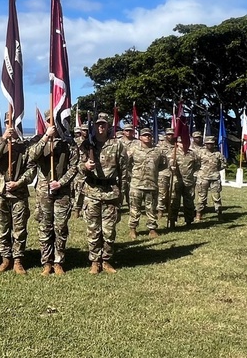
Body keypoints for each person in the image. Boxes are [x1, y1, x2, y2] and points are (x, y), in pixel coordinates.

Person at [0, 116, 39, 274]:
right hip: (1, 191)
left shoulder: (26, 146)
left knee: (19, 228)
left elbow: (31, 169)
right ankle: (6, 258)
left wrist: (20, 183)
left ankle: (18, 260)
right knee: (2, 227)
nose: (10, 126)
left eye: (13, 123)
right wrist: (4, 140)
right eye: (7, 123)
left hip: (19, 192)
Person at [28, 114, 79, 275]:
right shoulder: (38, 140)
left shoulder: (68, 143)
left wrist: (61, 182)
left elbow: (74, 166)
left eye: (56, 120)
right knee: (45, 226)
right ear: (46, 122)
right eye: (50, 120)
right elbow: (31, 156)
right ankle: (47, 262)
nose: (53, 124)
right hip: (44, 191)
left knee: (60, 227)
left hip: (61, 191)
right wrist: (46, 137)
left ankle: (58, 261)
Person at [78, 112, 128, 274]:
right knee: (93, 229)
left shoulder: (117, 145)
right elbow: (77, 167)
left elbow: (124, 171)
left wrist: (123, 192)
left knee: (109, 229)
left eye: (104, 124)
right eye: (98, 124)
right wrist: (85, 166)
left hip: (111, 192)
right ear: (94, 126)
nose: (101, 126)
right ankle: (94, 261)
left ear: (108, 126)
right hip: (92, 191)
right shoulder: (87, 145)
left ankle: (106, 260)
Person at [127, 127, 166, 238]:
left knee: (151, 209)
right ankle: (133, 229)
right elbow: (127, 163)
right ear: (140, 137)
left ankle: (152, 229)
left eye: (149, 135)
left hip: (151, 184)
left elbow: (163, 164)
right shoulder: (133, 150)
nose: (147, 137)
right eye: (145, 135)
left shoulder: (158, 151)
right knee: (135, 208)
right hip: (136, 184)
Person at [168, 132, 198, 228]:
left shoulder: (192, 153)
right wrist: (171, 167)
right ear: (177, 143)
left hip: (188, 181)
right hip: (177, 181)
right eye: (181, 142)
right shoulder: (173, 153)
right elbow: (169, 163)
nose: (183, 144)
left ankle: (189, 221)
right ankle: (172, 220)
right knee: (175, 202)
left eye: (185, 142)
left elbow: (197, 165)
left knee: (189, 202)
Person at [194, 135, 225, 220]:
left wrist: (215, 170)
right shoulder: (200, 153)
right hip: (203, 178)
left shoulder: (218, 154)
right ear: (205, 144)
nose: (210, 145)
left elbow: (223, 165)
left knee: (216, 197)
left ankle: (219, 214)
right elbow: (195, 164)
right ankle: (198, 214)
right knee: (202, 197)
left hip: (214, 178)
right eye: (208, 143)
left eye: (211, 144)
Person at [155, 128, 176, 222]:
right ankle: (160, 210)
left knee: (173, 192)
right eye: (168, 134)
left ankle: (171, 210)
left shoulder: (177, 146)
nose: (170, 136)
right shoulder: (160, 146)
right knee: (162, 193)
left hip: (174, 173)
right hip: (163, 172)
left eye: (172, 134)